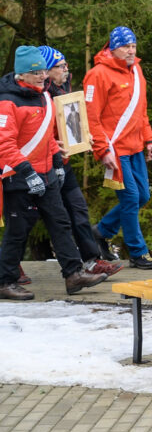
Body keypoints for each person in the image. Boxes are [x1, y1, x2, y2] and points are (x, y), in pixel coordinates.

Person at [0, 46, 109, 300]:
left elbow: (48, 136)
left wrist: (58, 165)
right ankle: (5, 281)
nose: (42, 76)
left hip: (46, 173)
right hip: (18, 177)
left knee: (60, 223)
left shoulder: (45, 96)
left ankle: (73, 274)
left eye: (43, 71)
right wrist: (27, 173)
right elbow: (4, 145)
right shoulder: (7, 102)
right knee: (18, 231)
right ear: (22, 74)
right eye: (36, 72)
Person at [38, 46, 123, 279]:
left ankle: (92, 260)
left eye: (66, 65)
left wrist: (80, 136)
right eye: (60, 66)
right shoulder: (39, 95)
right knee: (28, 221)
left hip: (62, 162)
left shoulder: (63, 87)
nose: (66, 70)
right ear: (46, 70)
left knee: (79, 210)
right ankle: (10, 268)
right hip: (40, 166)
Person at [83, 26, 152, 269]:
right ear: (113, 47)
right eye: (125, 46)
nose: (130, 50)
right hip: (115, 149)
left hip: (136, 146)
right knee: (130, 198)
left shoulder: (136, 70)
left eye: (133, 46)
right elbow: (91, 117)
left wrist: (149, 139)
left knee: (143, 196)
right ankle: (138, 252)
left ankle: (102, 230)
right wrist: (102, 150)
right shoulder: (98, 74)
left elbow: (141, 111)